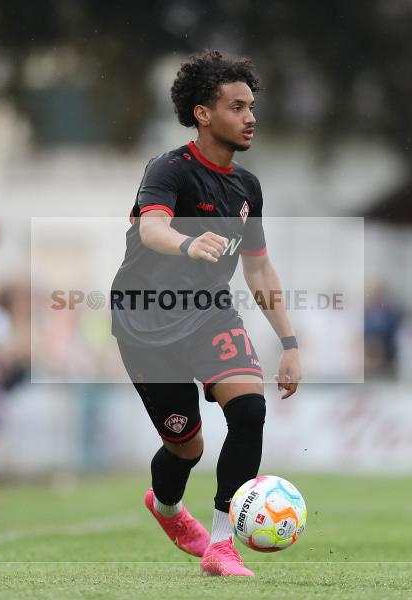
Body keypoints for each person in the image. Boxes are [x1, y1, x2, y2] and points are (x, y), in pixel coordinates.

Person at [110, 51, 300, 577]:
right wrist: (187, 244)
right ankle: (168, 508)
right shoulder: (169, 169)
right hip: (146, 321)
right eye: (237, 107)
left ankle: (222, 545)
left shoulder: (247, 188)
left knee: (249, 411)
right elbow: (152, 227)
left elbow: (258, 269)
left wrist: (289, 344)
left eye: (251, 106)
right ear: (203, 113)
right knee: (186, 446)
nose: (250, 117)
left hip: (211, 313)